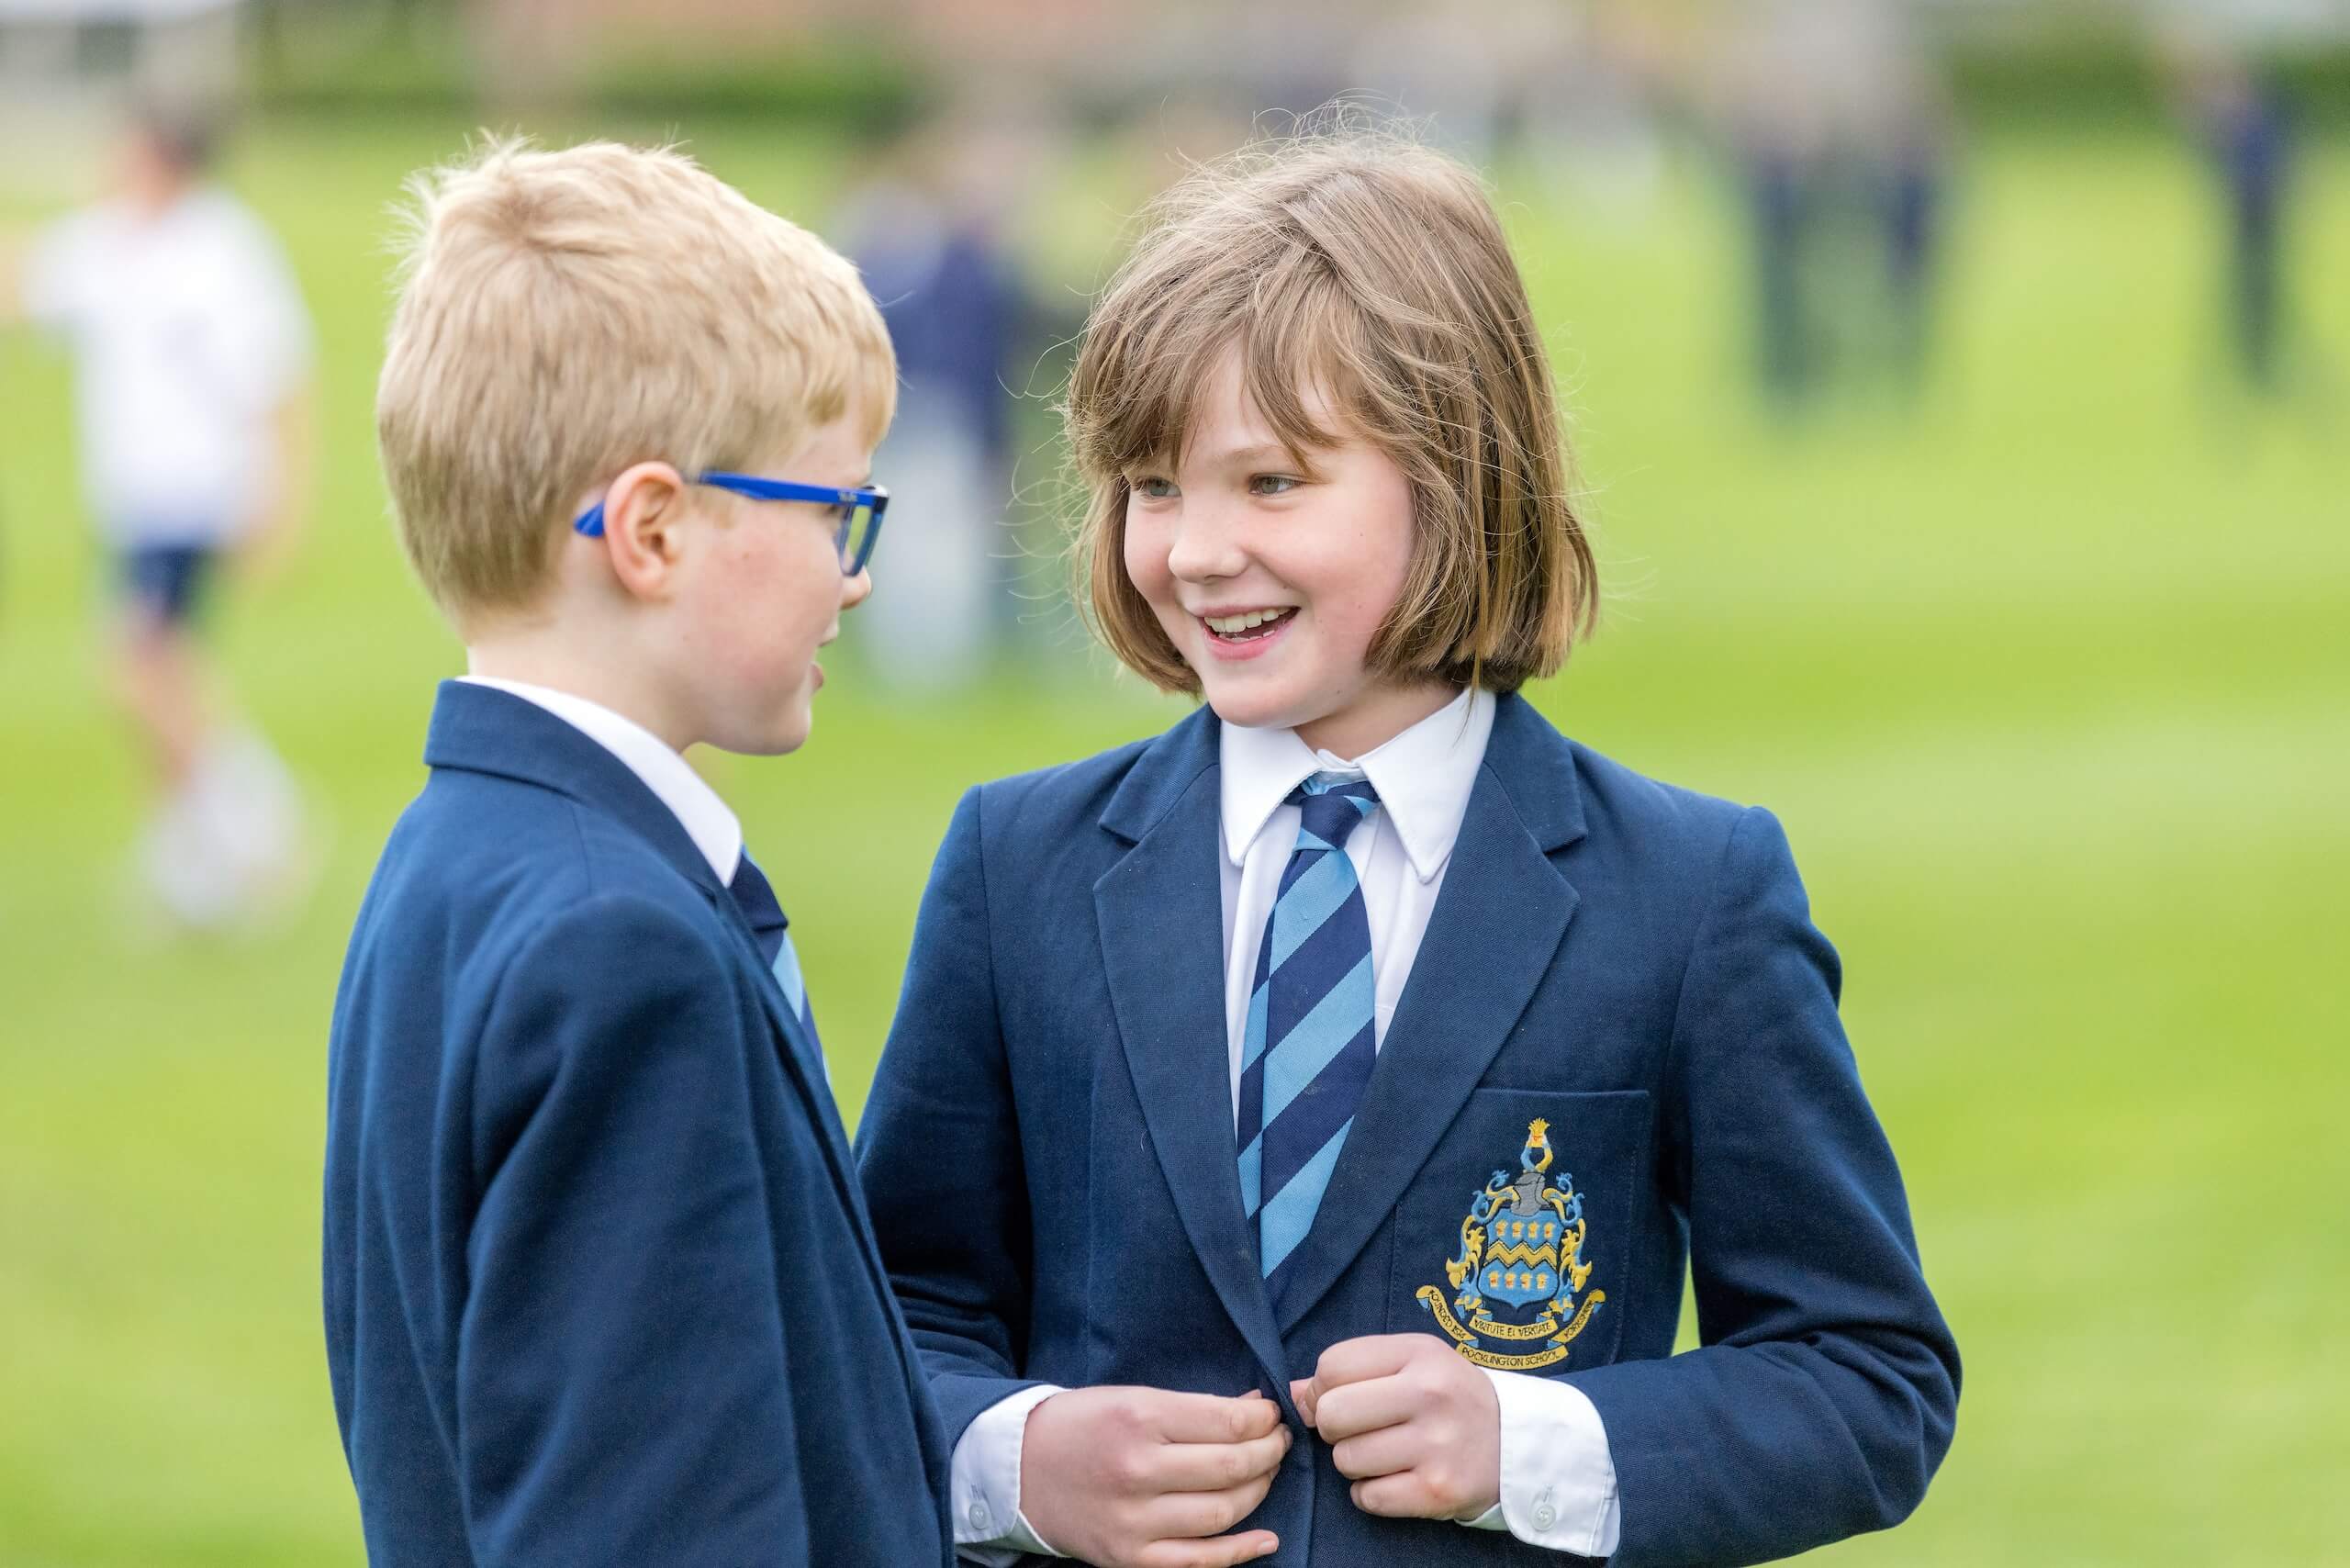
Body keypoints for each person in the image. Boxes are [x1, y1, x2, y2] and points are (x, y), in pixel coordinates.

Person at [858, 129, 1958, 1567]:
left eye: (1271, 483)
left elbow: (1866, 1377)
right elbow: (882, 1324)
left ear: (1456, 470)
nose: (1193, 551)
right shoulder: (1019, 867)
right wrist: (1016, 1460)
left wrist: (1530, 1445)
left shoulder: (1691, 894)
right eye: (1154, 485)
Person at [322, 138, 951, 1567]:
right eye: (835, 511)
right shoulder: (621, 949)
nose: (853, 576)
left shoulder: (451, 855)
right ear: (654, 530)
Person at [1, 102, 316, 930]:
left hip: (198, 495)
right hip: (134, 502)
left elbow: (279, 380)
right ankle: (194, 850)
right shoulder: (108, 241)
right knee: (156, 671)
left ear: (162, 158)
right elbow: (24, 287)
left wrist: (280, 497)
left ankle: (253, 825)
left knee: (139, 666)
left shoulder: (225, 251)